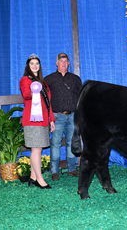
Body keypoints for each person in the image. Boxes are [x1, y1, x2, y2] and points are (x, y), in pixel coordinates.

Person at [44, 53, 82, 181]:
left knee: (71, 143)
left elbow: (80, 97)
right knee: (55, 143)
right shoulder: (48, 79)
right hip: (57, 116)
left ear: (69, 64)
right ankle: (54, 171)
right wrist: (50, 119)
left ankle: (72, 169)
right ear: (57, 63)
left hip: (72, 116)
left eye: (66, 61)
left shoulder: (75, 79)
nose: (64, 63)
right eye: (61, 61)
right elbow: (45, 100)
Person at [20, 53, 55, 189]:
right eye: (32, 64)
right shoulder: (25, 80)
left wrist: (51, 119)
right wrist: (33, 89)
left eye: (37, 63)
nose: (35, 66)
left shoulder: (44, 83)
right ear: (28, 66)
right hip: (32, 120)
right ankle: (40, 180)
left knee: (38, 149)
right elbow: (26, 95)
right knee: (36, 149)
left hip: (43, 120)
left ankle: (33, 178)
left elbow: (48, 104)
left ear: (40, 66)